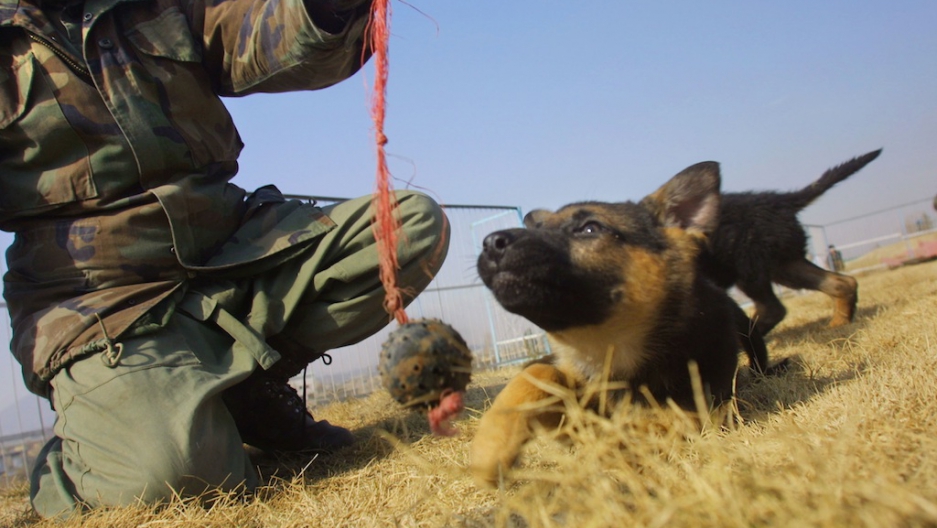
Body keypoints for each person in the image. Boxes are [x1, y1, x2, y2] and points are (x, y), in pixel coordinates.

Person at [0, 0, 449, 518]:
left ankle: (242, 392)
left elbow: (259, 37)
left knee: (410, 229)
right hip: (107, 303)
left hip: (233, 250)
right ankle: (88, 444)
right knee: (176, 478)